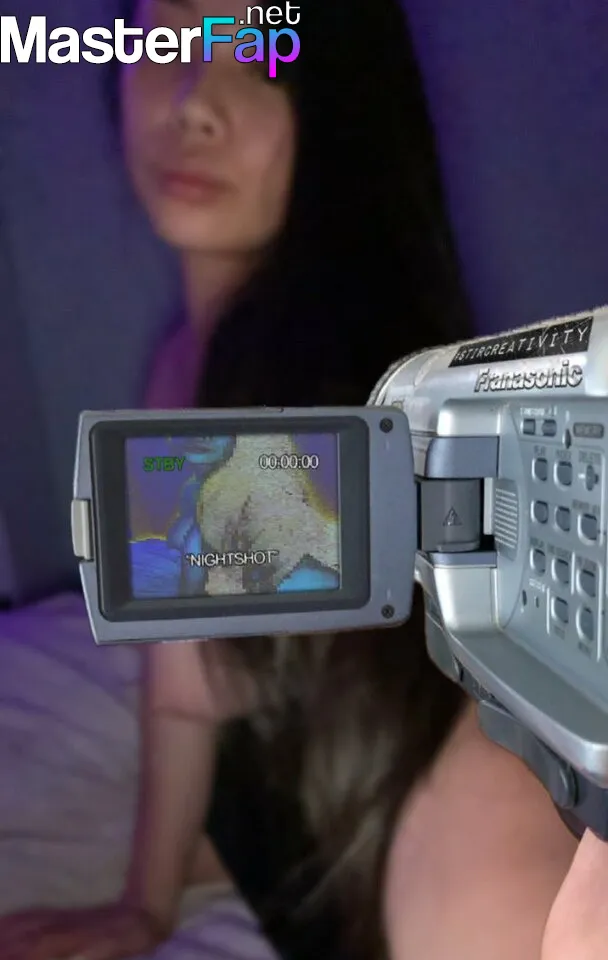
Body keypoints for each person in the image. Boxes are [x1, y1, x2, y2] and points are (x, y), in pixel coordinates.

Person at [0, 1, 589, 960]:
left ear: (341, 106)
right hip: (296, 816)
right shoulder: (182, 372)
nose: (196, 102)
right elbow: (181, 691)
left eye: (262, 59)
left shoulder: (379, 401)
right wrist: (144, 907)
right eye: (165, 42)